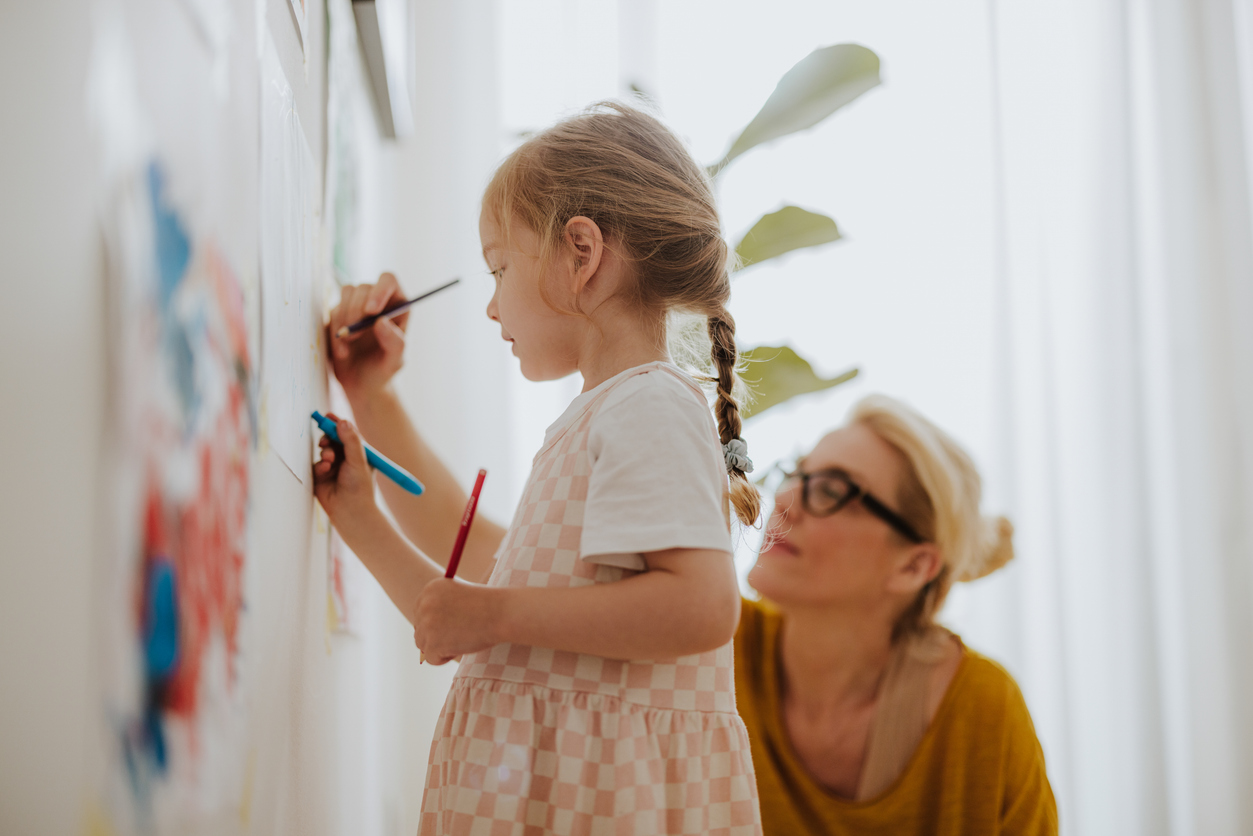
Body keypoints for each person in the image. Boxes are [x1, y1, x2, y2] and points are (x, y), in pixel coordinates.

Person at [313, 102, 762, 834]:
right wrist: (364, 440)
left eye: (498, 268)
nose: (492, 307)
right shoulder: (607, 411)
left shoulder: (646, 406)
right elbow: (479, 575)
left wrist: (491, 613)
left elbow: (702, 606)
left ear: (580, 253)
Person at [736, 395, 1057, 835]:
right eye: (796, 473)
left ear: (913, 566)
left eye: (831, 489)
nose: (785, 497)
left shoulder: (982, 712)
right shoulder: (714, 645)